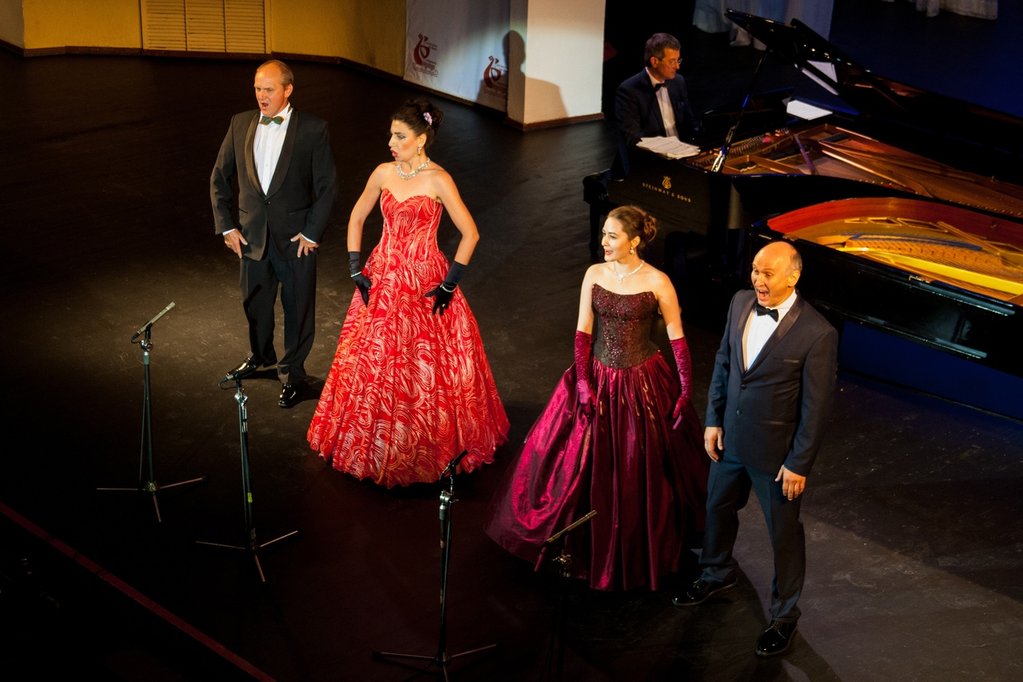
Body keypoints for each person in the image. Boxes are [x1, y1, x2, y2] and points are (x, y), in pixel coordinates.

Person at [484, 205, 708, 592]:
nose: (604, 241)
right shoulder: (594, 274)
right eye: (604, 233)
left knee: (640, 467)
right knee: (575, 463)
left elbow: (677, 339)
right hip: (598, 376)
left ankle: (638, 550)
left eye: (612, 236)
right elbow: (583, 333)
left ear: (634, 241)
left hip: (642, 382)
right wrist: (584, 384)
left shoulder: (658, 282)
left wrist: (686, 389)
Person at [307, 98, 509, 488]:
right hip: (382, 277)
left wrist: (450, 282)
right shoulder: (383, 172)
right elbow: (357, 216)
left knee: (424, 366)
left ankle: (421, 442)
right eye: (391, 134)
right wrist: (355, 267)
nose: (391, 142)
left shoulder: (438, 180)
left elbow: (470, 233)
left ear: (421, 139)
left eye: (400, 136)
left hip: (422, 281)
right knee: (374, 361)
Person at [672, 240, 839, 658]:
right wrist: (713, 419)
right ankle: (716, 573)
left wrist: (799, 463)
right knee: (716, 509)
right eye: (755, 270)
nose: (758, 280)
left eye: (767, 273)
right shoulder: (740, 302)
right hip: (729, 440)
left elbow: (816, 409)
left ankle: (784, 616)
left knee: (783, 535)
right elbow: (724, 363)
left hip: (776, 458)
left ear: (793, 277)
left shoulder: (818, 333)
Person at [211, 59, 338, 408]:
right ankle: (261, 356)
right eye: (257, 88)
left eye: (268, 89)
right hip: (251, 238)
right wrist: (227, 225)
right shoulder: (240, 123)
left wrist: (311, 233)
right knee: (255, 304)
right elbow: (219, 177)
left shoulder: (313, 129)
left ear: (288, 90)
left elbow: (327, 187)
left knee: (298, 310)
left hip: (296, 242)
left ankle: (293, 374)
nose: (261, 95)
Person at [611, 32, 699, 179]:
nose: (677, 66)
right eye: (672, 61)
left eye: (678, 60)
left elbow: (689, 121)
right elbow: (632, 137)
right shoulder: (629, 90)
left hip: (683, 156)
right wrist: (668, 149)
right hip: (652, 162)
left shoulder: (678, 82)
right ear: (654, 61)